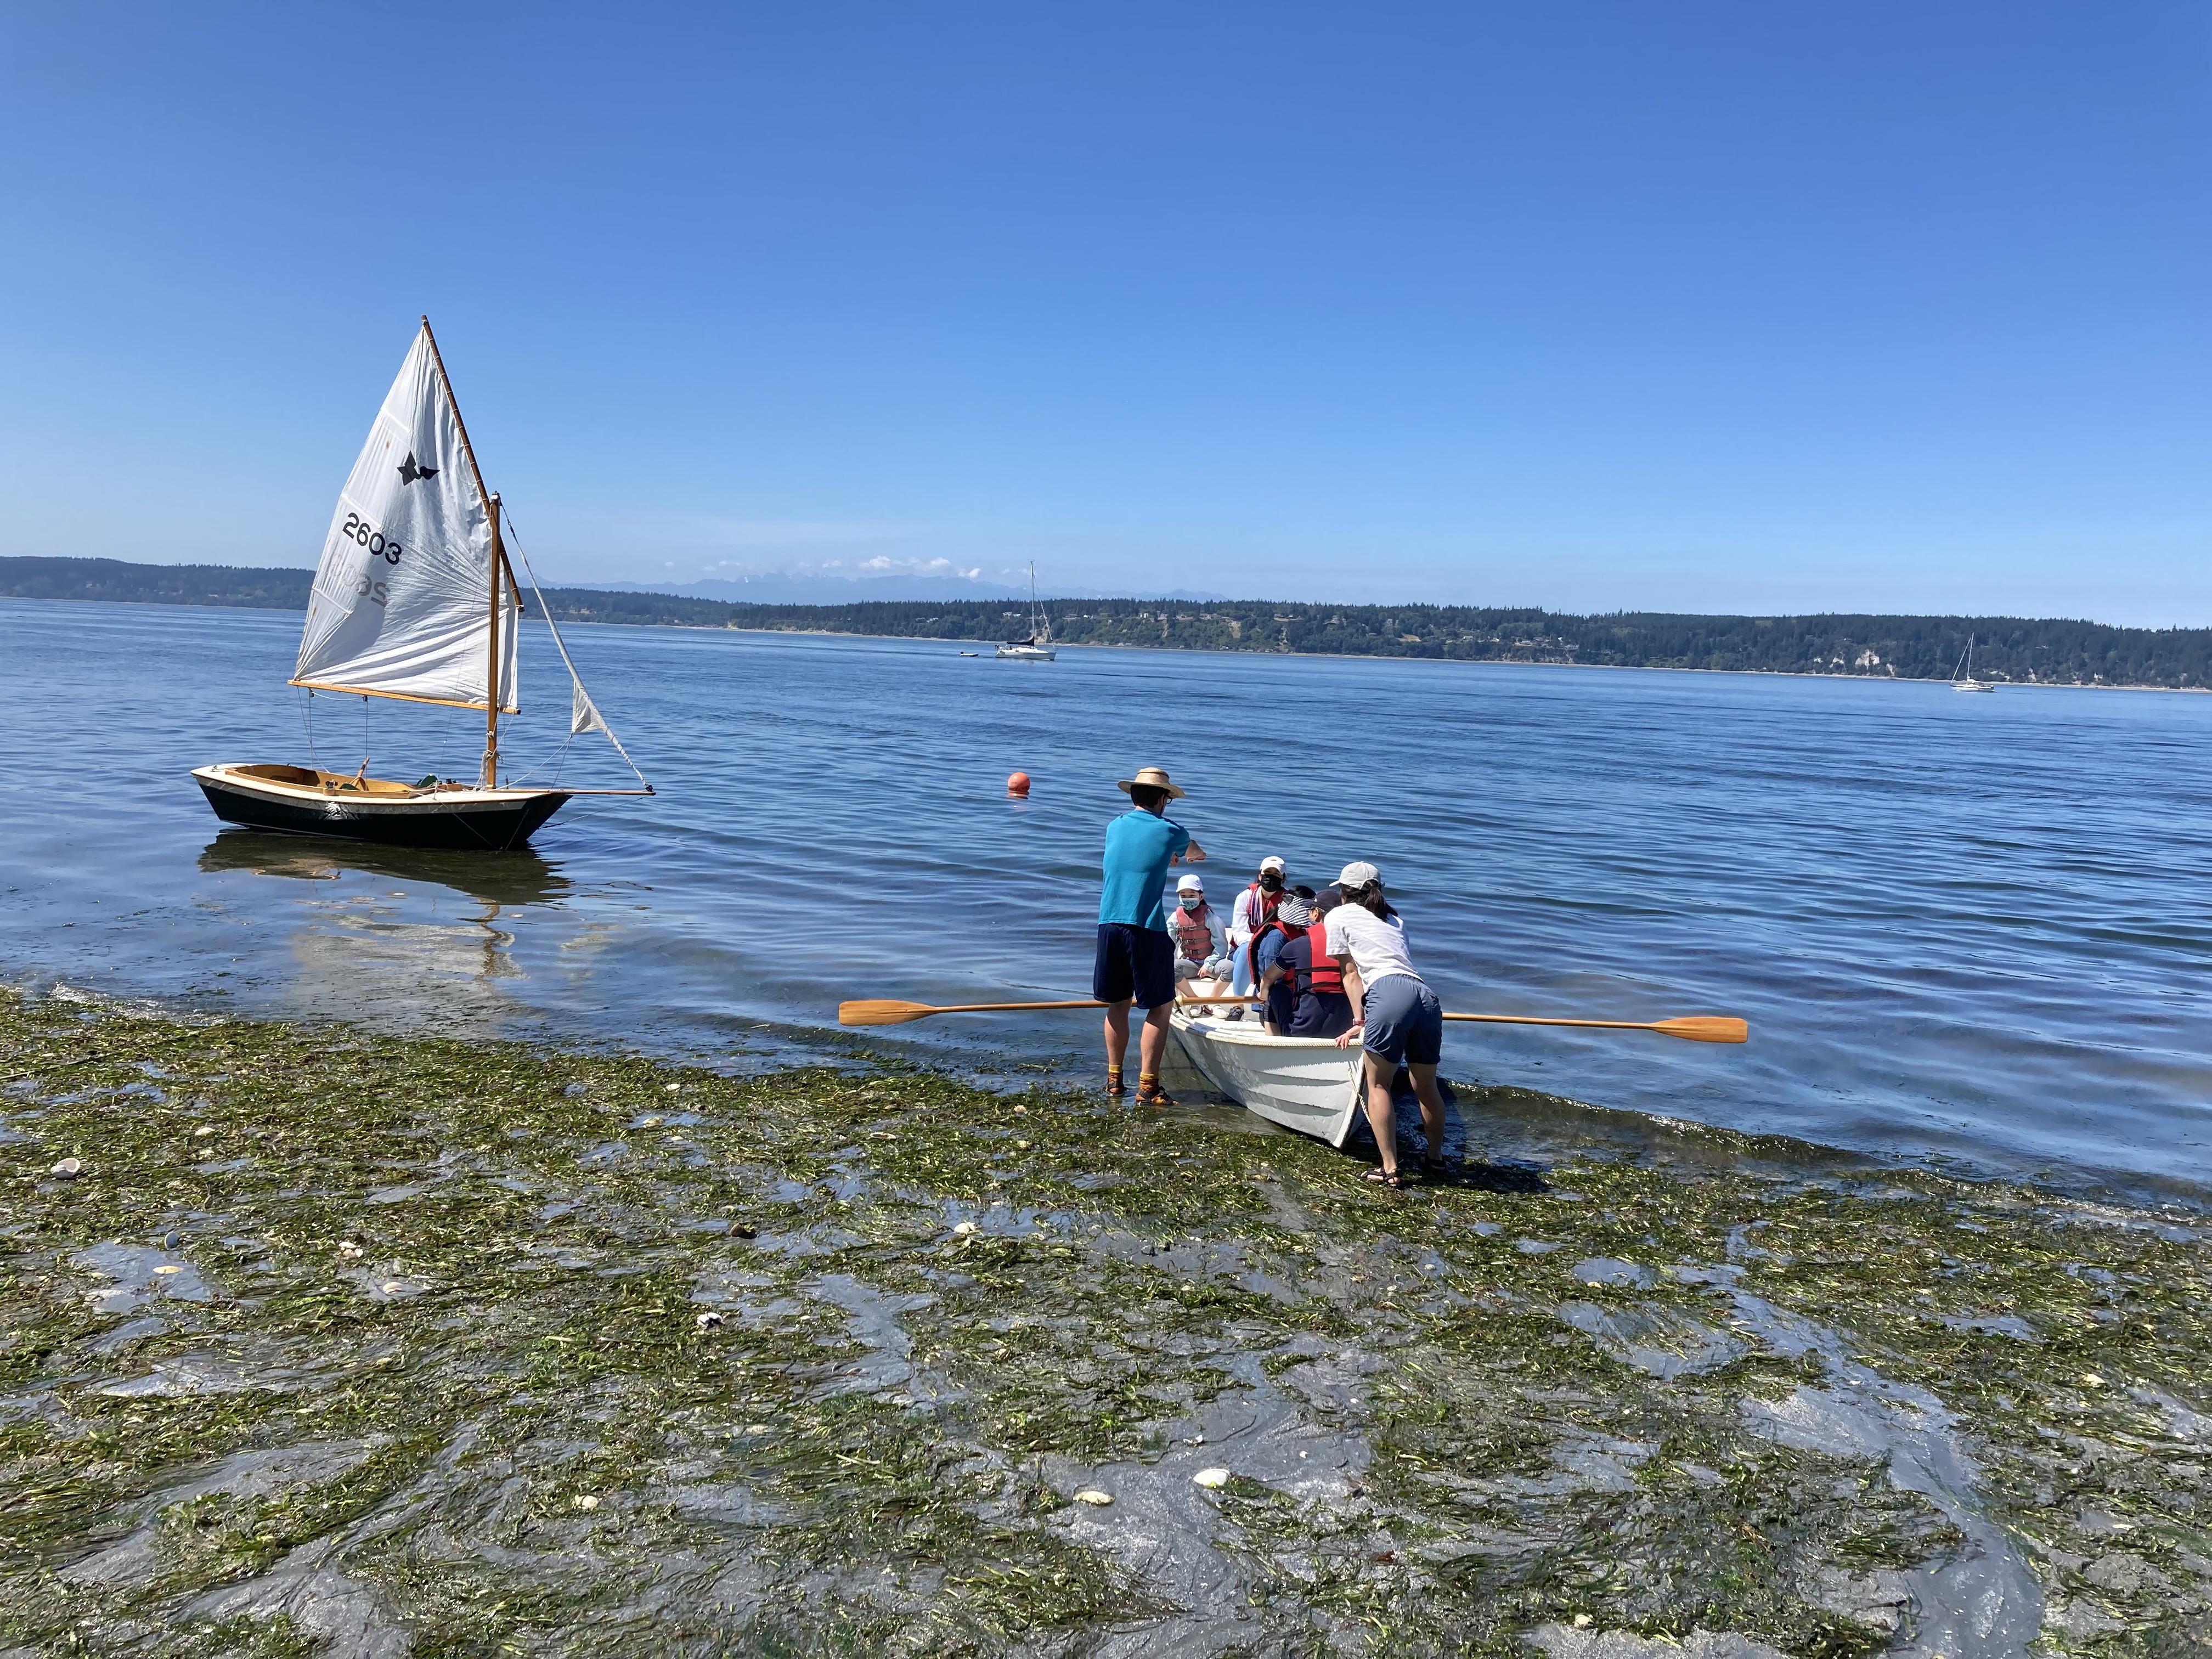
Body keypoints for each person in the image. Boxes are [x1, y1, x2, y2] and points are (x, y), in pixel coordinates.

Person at [1326, 861, 1448, 1189]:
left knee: (1378, 1085)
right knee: (1427, 1086)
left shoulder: (1337, 916)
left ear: (1344, 892)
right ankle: (1435, 1158)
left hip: (1389, 992)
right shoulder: (1395, 919)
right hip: (1425, 996)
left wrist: (1359, 1020)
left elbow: (1351, 974)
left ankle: (1390, 1168)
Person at [1095, 765, 1207, 1104]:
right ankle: (1149, 1087)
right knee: (1160, 1007)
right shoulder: (1171, 830)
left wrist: (1165, 859)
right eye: (1168, 801)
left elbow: (1136, 858)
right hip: (1145, 927)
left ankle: (1114, 1082)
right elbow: (1196, 852)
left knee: (1117, 1004)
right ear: (1162, 799)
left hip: (1108, 925)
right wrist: (1184, 856)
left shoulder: (1115, 826)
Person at [1268, 886, 1356, 1039]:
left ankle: (1272, 1045)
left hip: (1303, 1031)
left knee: (1275, 991)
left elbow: (1268, 978)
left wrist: (1263, 993)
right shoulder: (1355, 946)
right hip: (1344, 1031)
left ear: (1316, 914)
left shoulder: (1298, 944)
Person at [1251, 885, 1315, 1032]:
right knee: (1276, 990)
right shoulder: (1276, 938)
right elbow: (1269, 979)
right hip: (1273, 1004)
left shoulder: (1301, 932)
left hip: (1296, 997)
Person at [1228, 856, 1288, 995]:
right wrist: (1259, 942)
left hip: (1273, 949)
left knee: (1271, 951)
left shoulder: (1287, 901)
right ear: (1260, 876)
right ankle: (1238, 1004)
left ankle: (1266, 997)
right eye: (1268, 873)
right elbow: (1238, 935)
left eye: (1276, 874)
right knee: (1246, 950)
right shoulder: (1245, 897)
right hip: (1243, 948)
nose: (1270, 878)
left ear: (1283, 879)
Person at [1163, 873, 1230, 984]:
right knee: (1171, 967)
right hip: (1190, 963)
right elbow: (1169, 944)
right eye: (1183, 896)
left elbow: (1222, 946)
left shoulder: (1211, 918)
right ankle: (1193, 998)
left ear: (1201, 897)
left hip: (1212, 964)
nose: (1187, 899)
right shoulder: (1175, 918)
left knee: (1229, 968)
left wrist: (1208, 965)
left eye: (1191, 895)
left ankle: (1213, 999)